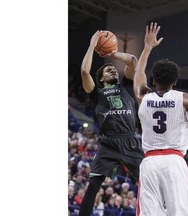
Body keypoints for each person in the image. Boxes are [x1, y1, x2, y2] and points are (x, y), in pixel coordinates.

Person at [133, 22, 188, 216]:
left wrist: (147, 47)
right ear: (175, 81)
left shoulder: (144, 97)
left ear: (154, 80)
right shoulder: (183, 98)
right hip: (174, 161)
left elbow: (138, 74)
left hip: (150, 162)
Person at [78, 30, 144, 216]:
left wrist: (112, 54)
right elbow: (84, 71)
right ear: (101, 78)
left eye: (113, 68)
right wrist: (92, 45)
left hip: (130, 140)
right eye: (108, 70)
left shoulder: (126, 87)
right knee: (93, 186)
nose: (113, 69)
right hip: (108, 142)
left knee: (148, 183)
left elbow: (132, 61)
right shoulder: (96, 93)